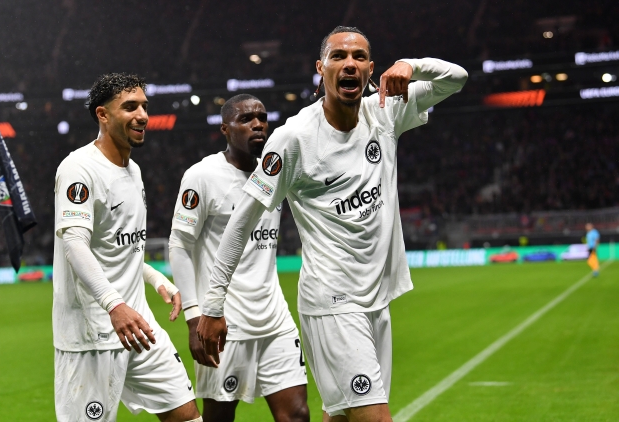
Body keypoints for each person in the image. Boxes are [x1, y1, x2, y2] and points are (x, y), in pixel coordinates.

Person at [197, 26, 468, 422]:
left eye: (359, 57)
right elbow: (241, 222)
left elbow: (457, 78)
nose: (349, 64)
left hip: (376, 301)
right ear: (320, 68)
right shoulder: (294, 138)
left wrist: (412, 65)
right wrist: (212, 305)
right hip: (332, 302)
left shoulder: (385, 111)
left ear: (372, 69)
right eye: (338, 56)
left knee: (340, 416)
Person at [53, 73, 201, 422]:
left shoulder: (133, 171)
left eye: (145, 107)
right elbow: (75, 245)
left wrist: (157, 280)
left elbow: (122, 248)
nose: (142, 116)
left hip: (140, 326)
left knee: (188, 416)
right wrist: (114, 305)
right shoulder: (79, 168)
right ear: (103, 115)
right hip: (93, 334)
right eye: (130, 107)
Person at [169, 94, 309, 422]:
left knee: (297, 415)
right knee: (220, 417)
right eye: (246, 119)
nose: (257, 124)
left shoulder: (274, 173)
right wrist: (194, 318)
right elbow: (179, 245)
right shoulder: (202, 176)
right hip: (222, 322)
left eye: (262, 117)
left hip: (274, 319)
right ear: (225, 129)